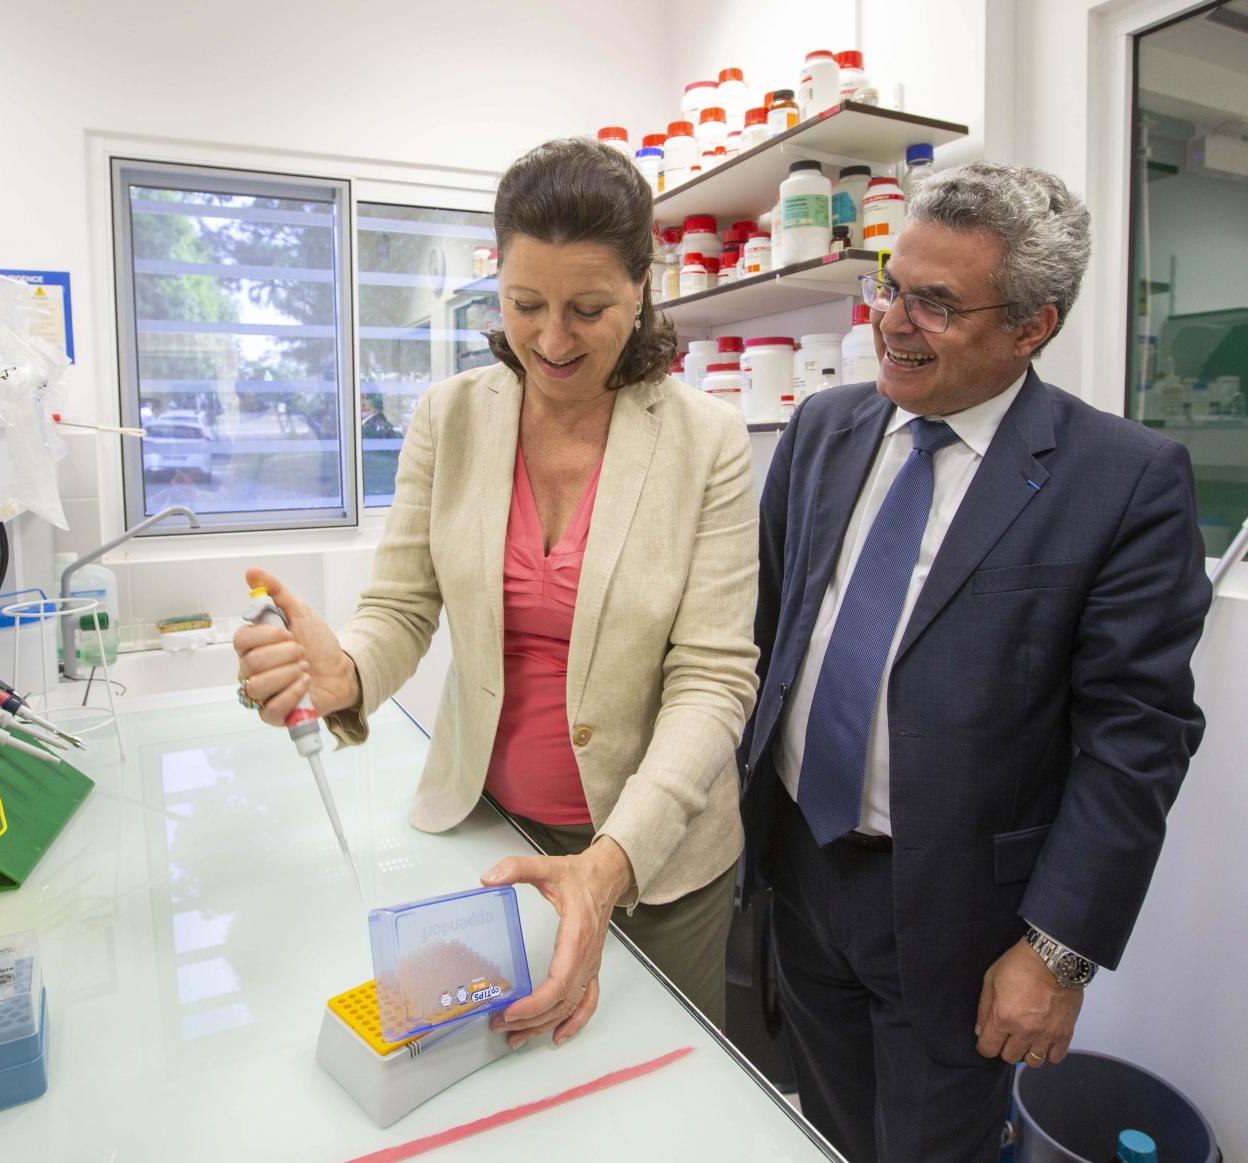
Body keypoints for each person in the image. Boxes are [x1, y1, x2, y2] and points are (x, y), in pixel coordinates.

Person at [234, 138, 759, 1043]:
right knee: (502, 1075)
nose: (552, 340)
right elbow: (401, 607)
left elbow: (714, 679)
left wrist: (611, 862)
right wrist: (344, 672)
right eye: (525, 304)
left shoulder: (707, 441)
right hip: (490, 834)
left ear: (643, 285)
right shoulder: (452, 416)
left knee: (656, 1096)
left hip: (660, 862)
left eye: (588, 309)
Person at [739, 161, 1211, 1162]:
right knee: (824, 1129)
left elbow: (1136, 736)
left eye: (935, 304)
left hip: (954, 917)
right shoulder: (824, 428)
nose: (891, 323)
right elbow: (772, 633)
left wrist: (1055, 952)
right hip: (799, 867)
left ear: (1029, 326)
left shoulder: (1120, 481)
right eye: (889, 285)